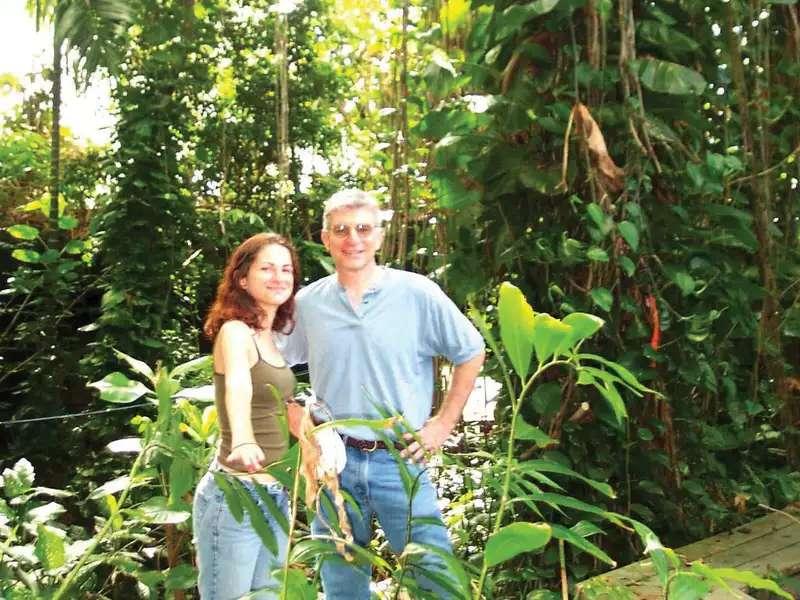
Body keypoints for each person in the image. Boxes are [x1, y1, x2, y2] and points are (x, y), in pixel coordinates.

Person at [281, 189, 485, 599]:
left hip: (400, 458)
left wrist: (442, 425)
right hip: (334, 460)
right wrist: (300, 423)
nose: (352, 238)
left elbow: (471, 351)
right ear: (325, 238)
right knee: (340, 578)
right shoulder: (308, 303)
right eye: (341, 229)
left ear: (378, 236)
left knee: (433, 575)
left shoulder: (416, 293)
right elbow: (272, 365)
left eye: (362, 228)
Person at [193, 232, 300, 600]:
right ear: (242, 278)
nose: (279, 276)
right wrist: (242, 438)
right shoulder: (236, 332)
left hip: (275, 494)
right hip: (237, 495)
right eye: (266, 268)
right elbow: (239, 385)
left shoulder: (272, 338)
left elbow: (277, 404)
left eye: (286, 269)